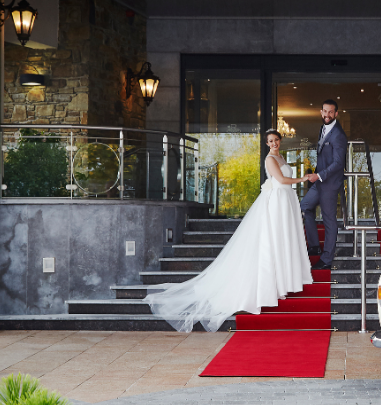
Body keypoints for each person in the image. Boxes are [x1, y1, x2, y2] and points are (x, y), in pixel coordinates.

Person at [144, 129, 313, 332]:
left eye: (276, 140)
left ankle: (280, 284)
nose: (274, 143)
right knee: (274, 241)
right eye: (271, 141)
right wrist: (304, 179)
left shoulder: (280, 155)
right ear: (267, 143)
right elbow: (282, 180)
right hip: (277, 201)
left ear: (280, 140)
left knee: (282, 242)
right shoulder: (270, 159)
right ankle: (269, 288)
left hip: (286, 201)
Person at [301, 99, 348, 270]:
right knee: (305, 206)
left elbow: (338, 163)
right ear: (321, 112)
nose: (327, 115)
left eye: (331, 112)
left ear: (336, 114)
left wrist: (319, 175)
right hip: (319, 181)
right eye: (325, 111)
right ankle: (314, 245)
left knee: (329, 220)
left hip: (329, 183)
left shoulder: (339, 135)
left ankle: (327, 259)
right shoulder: (323, 128)